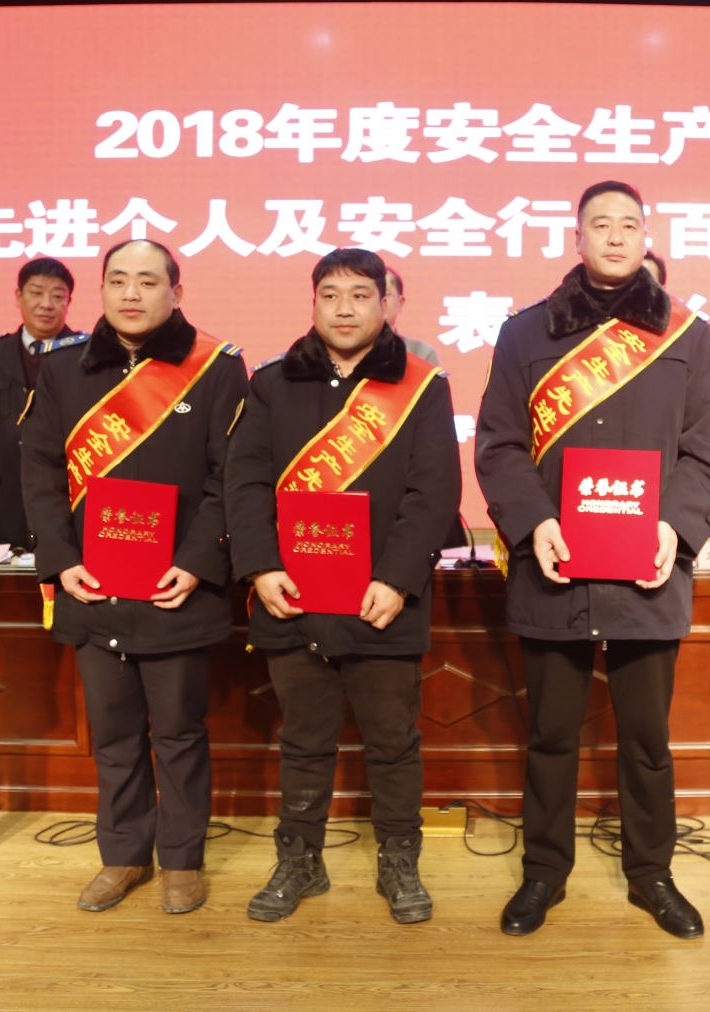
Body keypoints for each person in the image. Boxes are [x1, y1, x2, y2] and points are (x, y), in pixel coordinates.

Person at [476, 180, 710, 939]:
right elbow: (499, 444)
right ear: (578, 236)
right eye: (601, 224)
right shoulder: (525, 333)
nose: (615, 237)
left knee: (646, 739)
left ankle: (653, 875)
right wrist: (533, 523)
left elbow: (707, 449)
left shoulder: (688, 335)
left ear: (646, 236)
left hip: (649, 568)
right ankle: (543, 874)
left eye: (628, 224)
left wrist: (676, 528)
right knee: (551, 735)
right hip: (554, 564)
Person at [225, 248, 460, 925]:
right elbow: (245, 481)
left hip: (383, 601)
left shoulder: (421, 385)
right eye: (331, 295)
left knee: (392, 740)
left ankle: (399, 860)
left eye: (360, 295)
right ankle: (300, 860)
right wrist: (261, 566)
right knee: (303, 739)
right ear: (314, 303)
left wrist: (397, 579)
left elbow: (433, 490)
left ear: (385, 303)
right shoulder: (272, 383)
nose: (345, 308)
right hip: (292, 595)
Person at [21, 239, 247, 915]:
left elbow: (231, 476)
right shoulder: (64, 368)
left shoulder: (215, 367)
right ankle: (122, 856)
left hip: (176, 586)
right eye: (117, 280)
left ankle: (181, 860)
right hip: (91, 584)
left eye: (147, 281)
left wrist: (197, 561)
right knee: (114, 734)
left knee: (179, 732)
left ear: (176, 292)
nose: (130, 293)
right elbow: (40, 470)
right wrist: (61, 559)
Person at [0, 257, 88, 552]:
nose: (46, 304)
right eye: (36, 293)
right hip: (5, 499)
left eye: (57, 296)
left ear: (69, 302)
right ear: (18, 296)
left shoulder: (87, 355)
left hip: (67, 497)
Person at [381, 265, 443, 366]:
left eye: (384, 293)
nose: (377, 300)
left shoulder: (420, 353)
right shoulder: (352, 350)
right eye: (365, 295)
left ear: (400, 303)